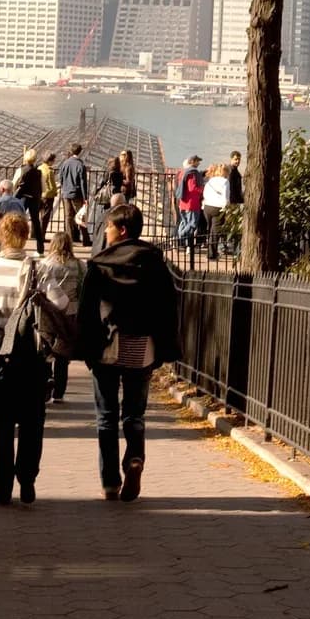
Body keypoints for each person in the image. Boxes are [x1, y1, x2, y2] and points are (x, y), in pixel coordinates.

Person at [80, 202, 180, 503]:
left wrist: (88, 348)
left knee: (106, 417)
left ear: (121, 229)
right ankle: (134, 458)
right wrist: (164, 347)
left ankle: (110, 482)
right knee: (134, 413)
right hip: (142, 346)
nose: (105, 232)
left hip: (108, 344)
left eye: (108, 227)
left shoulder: (100, 264)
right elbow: (168, 307)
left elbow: (86, 312)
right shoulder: (155, 262)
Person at [0, 211, 48, 505]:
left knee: (0, 425)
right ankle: (27, 479)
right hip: (29, 355)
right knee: (32, 421)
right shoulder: (38, 268)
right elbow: (61, 303)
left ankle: (1, 488)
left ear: (0, 236)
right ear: (26, 235)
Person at [41, 230, 84, 403]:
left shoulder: (45, 264)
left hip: (48, 312)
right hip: (70, 312)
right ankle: (59, 392)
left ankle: (46, 379)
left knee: (46, 349)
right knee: (63, 354)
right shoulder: (80, 265)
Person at [56, 144, 89, 240]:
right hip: (76, 194)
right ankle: (86, 239)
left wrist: (64, 188)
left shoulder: (65, 163)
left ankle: (69, 239)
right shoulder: (80, 164)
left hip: (66, 193)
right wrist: (85, 198)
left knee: (68, 217)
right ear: (80, 151)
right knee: (81, 216)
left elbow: (61, 178)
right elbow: (83, 183)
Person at [174, 155, 204, 247]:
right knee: (192, 224)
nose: (199, 163)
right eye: (197, 161)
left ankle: (187, 245)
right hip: (192, 203)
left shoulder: (183, 172)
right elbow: (192, 188)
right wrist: (203, 189)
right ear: (193, 162)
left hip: (183, 203)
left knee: (184, 223)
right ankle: (180, 236)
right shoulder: (193, 173)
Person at [202, 161, 232, 256]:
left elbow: (205, 193)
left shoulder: (210, 180)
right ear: (226, 172)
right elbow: (225, 197)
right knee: (215, 232)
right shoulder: (225, 181)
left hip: (207, 207)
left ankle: (210, 250)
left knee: (210, 229)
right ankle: (212, 254)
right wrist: (227, 208)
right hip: (218, 208)